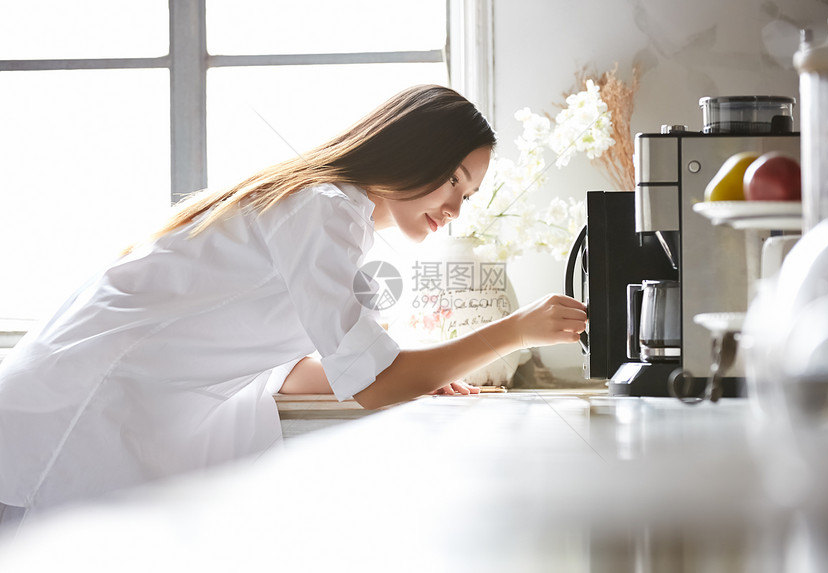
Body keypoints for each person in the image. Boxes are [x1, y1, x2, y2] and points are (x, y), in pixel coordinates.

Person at [0, 85, 587, 526]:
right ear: (412, 152)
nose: (457, 207)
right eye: (453, 181)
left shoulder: (330, 215)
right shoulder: (324, 209)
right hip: (62, 419)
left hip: (73, 409)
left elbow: (316, 367)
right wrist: (515, 330)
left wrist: (418, 372)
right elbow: (373, 383)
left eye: (469, 193)